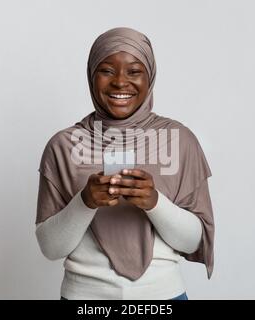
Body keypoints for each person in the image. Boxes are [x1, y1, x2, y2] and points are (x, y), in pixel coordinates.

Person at [35, 27, 215, 300]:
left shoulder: (178, 141)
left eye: (134, 71)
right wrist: (85, 201)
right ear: (91, 75)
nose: (120, 82)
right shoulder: (63, 145)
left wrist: (154, 202)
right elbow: (50, 248)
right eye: (107, 70)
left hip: (163, 298)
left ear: (150, 76)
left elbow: (194, 240)